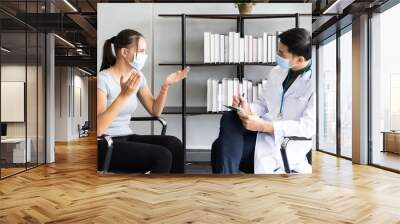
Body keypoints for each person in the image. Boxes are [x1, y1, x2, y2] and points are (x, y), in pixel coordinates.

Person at [211, 28, 315, 174]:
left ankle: (224, 184)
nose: (277, 55)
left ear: (300, 59)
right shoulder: (277, 72)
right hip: (263, 134)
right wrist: (247, 108)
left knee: (218, 147)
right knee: (229, 117)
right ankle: (226, 183)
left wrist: (265, 126)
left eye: (281, 53)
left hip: (285, 143)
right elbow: (263, 103)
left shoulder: (314, 84)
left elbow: (307, 128)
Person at [97, 29, 191, 174]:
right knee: (162, 156)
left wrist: (165, 86)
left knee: (174, 144)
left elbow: (155, 110)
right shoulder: (103, 79)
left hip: (127, 137)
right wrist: (123, 95)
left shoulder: (137, 76)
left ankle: (174, 192)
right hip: (106, 143)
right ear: (124, 52)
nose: (144, 56)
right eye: (140, 51)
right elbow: (98, 128)